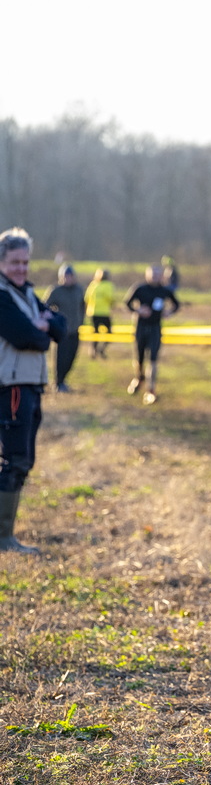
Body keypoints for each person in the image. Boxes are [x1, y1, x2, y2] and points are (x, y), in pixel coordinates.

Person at [0, 227, 65, 553]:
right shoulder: (2, 296)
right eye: (15, 262)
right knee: (14, 460)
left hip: (31, 385)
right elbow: (26, 337)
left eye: (25, 262)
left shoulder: (26, 293)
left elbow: (61, 328)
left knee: (23, 460)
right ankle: (3, 538)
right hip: (11, 386)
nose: (21, 268)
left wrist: (45, 325)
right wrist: (41, 329)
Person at [124, 264, 180, 405]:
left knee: (153, 358)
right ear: (147, 275)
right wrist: (138, 310)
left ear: (161, 276)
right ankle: (138, 378)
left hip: (155, 327)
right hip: (141, 327)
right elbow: (127, 303)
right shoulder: (140, 288)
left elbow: (176, 304)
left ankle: (151, 389)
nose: (155, 277)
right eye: (152, 274)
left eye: (157, 275)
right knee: (139, 357)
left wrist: (169, 312)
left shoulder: (164, 290)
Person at [46, 266, 85, 393]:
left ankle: (63, 380)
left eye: (70, 276)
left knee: (71, 357)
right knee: (61, 358)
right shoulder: (56, 291)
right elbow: (45, 306)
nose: (68, 279)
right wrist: (54, 322)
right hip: (62, 332)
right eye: (65, 276)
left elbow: (82, 306)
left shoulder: (79, 290)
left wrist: (81, 321)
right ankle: (58, 382)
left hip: (75, 330)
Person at [85, 268, 114, 359]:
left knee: (95, 332)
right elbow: (110, 298)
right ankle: (102, 349)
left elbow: (86, 298)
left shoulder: (93, 285)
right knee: (109, 333)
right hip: (104, 313)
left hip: (93, 312)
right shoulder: (108, 285)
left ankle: (93, 350)